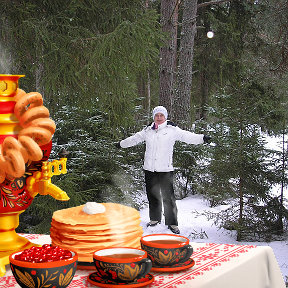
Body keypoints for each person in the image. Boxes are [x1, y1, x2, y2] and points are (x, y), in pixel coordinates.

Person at [116, 106, 211, 234]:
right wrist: (121, 144)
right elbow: (134, 139)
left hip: (165, 169)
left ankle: (172, 223)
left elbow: (186, 136)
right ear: (154, 117)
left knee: (168, 197)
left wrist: (201, 138)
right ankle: (154, 219)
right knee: (152, 195)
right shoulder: (148, 130)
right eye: (157, 115)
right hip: (149, 169)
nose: (159, 118)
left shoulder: (172, 130)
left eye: (161, 115)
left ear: (165, 117)